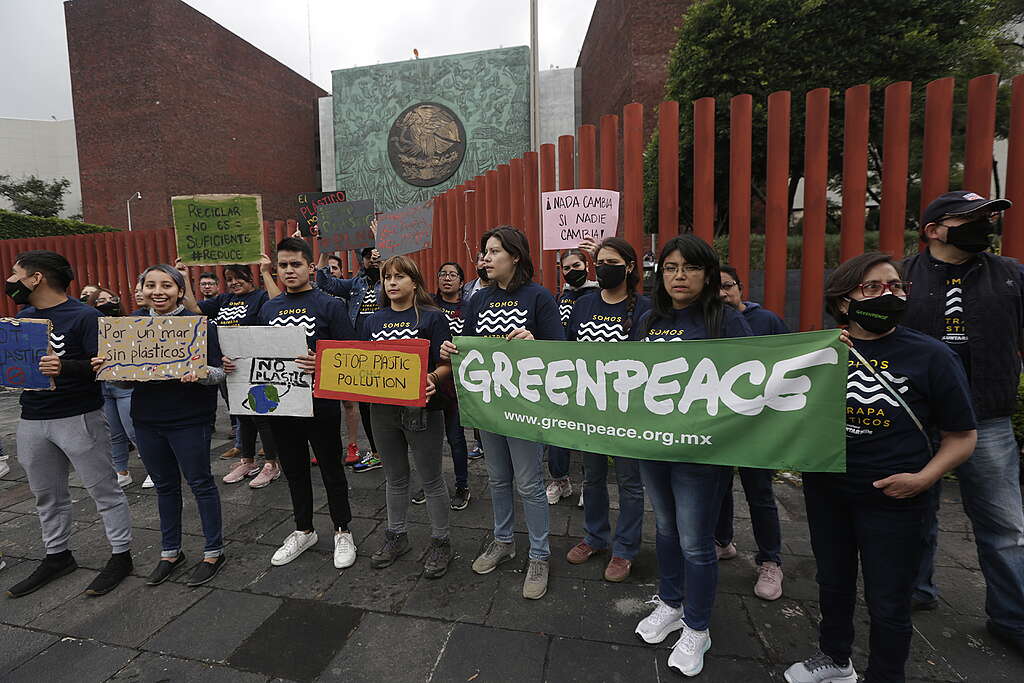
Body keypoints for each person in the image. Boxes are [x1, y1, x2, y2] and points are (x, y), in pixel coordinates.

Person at [785, 252, 977, 683]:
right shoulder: (819, 351)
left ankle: (886, 674)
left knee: (888, 598)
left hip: (896, 498)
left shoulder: (932, 356)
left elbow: (963, 436)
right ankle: (835, 657)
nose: (887, 294)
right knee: (832, 583)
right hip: (828, 489)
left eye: (894, 286)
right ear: (843, 300)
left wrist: (925, 479)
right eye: (872, 287)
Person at [901, 190, 1024, 653]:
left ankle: (1013, 619)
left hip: (985, 420)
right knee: (914, 514)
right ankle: (912, 591)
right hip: (915, 418)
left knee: (1006, 526)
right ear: (934, 230)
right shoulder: (900, 279)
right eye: (970, 218)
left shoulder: (1012, 275)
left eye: (988, 217)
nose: (985, 224)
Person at [630, 235, 752, 677]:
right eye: (670, 268)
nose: (679, 276)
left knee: (695, 541)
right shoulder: (648, 319)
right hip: (651, 446)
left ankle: (698, 627)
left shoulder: (727, 321)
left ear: (708, 273)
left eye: (690, 267)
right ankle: (670, 602)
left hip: (702, 454)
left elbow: (755, 378)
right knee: (664, 528)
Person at [441, 226, 564, 600]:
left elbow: (561, 352)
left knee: (529, 483)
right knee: (496, 479)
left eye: (494, 251)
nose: (485, 258)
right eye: (484, 251)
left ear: (516, 256)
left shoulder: (539, 297)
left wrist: (535, 342)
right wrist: (450, 350)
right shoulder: (477, 300)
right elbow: (468, 346)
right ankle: (503, 540)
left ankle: (540, 555)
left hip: (523, 407)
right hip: (488, 406)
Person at [4, 251, 133, 598]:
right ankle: (57, 554)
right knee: (46, 494)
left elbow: (103, 366)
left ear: (36, 278)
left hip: (79, 416)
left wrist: (65, 368)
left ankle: (121, 555)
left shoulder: (85, 316)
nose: (10, 281)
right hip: (32, 417)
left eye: (16, 274)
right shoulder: (24, 317)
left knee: (104, 490)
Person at [96, 264, 228, 587]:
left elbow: (220, 374)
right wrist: (111, 369)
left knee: (200, 483)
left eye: (167, 285)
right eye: (150, 285)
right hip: (146, 420)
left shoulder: (197, 325)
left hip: (188, 419)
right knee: (164, 487)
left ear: (180, 291)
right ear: (141, 290)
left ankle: (214, 551)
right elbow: (127, 383)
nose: (158, 291)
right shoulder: (131, 327)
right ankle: (170, 551)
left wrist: (200, 374)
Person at [248, 237, 357, 569]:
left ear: (311, 267)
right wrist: (234, 364)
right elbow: (259, 353)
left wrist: (321, 361)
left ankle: (342, 530)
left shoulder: (331, 305)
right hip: (281, 404)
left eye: (296, 264)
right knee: (294, 470)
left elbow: (350, 353)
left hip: (319, 402)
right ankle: (304, 529)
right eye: (283, 265)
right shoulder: (268, 308)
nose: (289, 270)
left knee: (330, 467)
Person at [564, 237, 649, 583]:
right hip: (589, 411)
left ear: (629, 267)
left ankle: (625, 548)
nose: (602, 268)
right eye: (599, 261)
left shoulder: (645, 308)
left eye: (611, 261)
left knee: (630, 481)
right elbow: (564, 351)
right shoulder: (583, 305)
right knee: (592, 476)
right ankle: (595, 536)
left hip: (628, 413)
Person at [366, 256, 454, 577]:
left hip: (423, 410)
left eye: (399, 277)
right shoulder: (373, 321)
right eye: (387, 277)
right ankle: (396, 535)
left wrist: (432, 378)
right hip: (382, 411)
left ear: (414, 283)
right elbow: (359, 364)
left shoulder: (432, 318)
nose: (391, 283)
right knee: (395, 477)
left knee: (431, 478)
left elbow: (446, 365)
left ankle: (441, 541)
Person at [714, 264, 788, 600]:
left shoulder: (767, 321)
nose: (722, 293)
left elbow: (790, 360)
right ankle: (722, 541)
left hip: (756, 426)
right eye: (714, 288)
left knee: (760, 492)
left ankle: (770, 560)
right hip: (720, 424)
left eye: (728, 285)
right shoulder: (708, 320)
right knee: (719, 488)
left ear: (741, 287)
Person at [192, 261, 283, 489]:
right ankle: (248, 461)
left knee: (262, 416)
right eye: (229, 279)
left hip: (258, 367)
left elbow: (278, 304)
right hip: (231, 369)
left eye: (238, 277)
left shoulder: (261, 297)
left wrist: (265, 271)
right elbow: (194, 310)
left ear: (250, 278)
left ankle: (272, 464)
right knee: (243, 416)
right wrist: (184, 276)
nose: (234, 283)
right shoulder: (224, 300)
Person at [316, 246, 383, 472]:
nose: (372, 258)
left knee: (390, 405)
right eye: (367, 256)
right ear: (361, 260)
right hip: (361, 354)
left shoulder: (391, 278)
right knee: (364, 404)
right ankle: (376, 452)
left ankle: (394, 452)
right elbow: (325, 283)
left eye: (376, 254)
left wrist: (385, 264)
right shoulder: (356, 284)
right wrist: (324, 247)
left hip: (388, 352)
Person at [545, 249, 600, 506]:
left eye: (575, 265)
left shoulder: (598, 294)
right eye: (565, 268)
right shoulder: (560, 297)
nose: (571, 271)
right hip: (563, 372)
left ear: (587, 265)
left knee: (590, 430)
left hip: (592, 375)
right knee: (557, 430)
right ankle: (560, 480)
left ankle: (590, 484)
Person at [85, 286, 146, 488]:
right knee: (114, 434)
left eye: (111, 299)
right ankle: (121, 470)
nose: (107, 303)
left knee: (134, 431)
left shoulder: (130, 323)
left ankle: (153, 469)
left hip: (125, 386)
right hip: (104, 386)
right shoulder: (88, 328)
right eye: (100, 301)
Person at [434, 261, 471, 509]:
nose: (447, 278)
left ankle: (462, 485)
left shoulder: (469, 308)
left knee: (456, 438)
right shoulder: (427, 306)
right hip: (432, 382)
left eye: (452, 275)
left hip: (458, 386)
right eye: (442, 274)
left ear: (461, 281)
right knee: (429, 439)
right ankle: (431, 484)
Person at [322, 252, 363, 467]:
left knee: (349, 402)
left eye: (334, 269)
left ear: (341, 271)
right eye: (328, 269)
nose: (331, 272)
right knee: (326, 404)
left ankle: (353, 445)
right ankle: (329, 446)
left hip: (344, 349)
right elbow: (321, 278)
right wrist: (321, 247)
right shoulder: (319, 292)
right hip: (323, 354)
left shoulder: (350, 288)